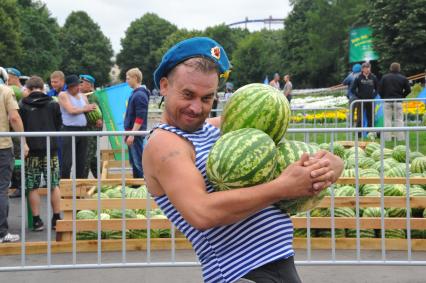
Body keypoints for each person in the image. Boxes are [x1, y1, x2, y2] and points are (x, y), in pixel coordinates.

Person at [144, 37, 343, 283]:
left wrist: (331, 165)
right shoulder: (164, 142)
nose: (196, 107)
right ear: (164, 86)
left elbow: (280, 146)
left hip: (276, 268)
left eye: (207, 98)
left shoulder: (218, 129)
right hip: (240, 275)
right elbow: (201, 212)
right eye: (188, 94)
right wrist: (283, 187)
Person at [19, 76, 62, 231]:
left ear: (29, 89)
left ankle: (37, 220)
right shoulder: (53, 103)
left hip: (31, 150)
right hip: (51, 150)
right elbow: (59, 124)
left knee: (32, 186)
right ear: (42, 88)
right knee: (54, 184)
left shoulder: (23, 104)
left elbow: (19, 126)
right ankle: (56, 218)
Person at [0, 73, 28, 243]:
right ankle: (2, 232)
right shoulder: (5, 91)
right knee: (2, 189)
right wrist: (23, 141)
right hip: (2, 146)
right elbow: (14, 117)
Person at [58, 75, 96, 178]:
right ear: (69, 87)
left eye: (78, 85)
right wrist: (85, 108)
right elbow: (71, 110)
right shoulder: (63, 95)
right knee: (67, 161)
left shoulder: (83, 96)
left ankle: (79, 188)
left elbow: (89, 110)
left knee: (81, 161)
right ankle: (65, 186)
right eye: (75, 86)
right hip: (69, 130)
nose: (78, 88)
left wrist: (96, 117)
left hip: (83, 130)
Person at [124, 68, 149, 179]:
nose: (127, 81)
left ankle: (141, 189)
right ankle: (137, 188)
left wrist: (132, 134)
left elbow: (140, 117)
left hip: (135, 135)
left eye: (128, 78)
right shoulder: (137, 94)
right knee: (135, 162)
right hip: (134, 133)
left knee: (138, 162)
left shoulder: (139, 95)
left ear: (135, 78)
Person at [378, 62, 411, 141]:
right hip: (398, 101)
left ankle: (387, 138)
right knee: (399, 120)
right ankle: (400, 138)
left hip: (387, 101)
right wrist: (402, 96)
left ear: (390, 68)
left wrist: (383, 97)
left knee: (387, 120)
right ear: (399, 69)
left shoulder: (385, 77)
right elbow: (408, 90)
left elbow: (379, 89)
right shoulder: (403, 78)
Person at [79, 74, 103, 178]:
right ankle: (101, 179)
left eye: (82, 83)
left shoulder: (92, 97)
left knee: (86, 157)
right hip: (88, 130)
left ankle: (81, 183)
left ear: (89, 85)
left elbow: (95, 117)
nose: (79, 85)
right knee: (91, 157)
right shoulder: (86, 96)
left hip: (91, 130)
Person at [6, 68, 24, 198]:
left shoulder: (22, 92)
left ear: (15, 77)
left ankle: (20, 185)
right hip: (8, 130)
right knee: (10, 157)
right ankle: (13, 183)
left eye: (9, 77)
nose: (7, 79)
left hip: (17, 130)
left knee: (18, 156)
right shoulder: (7, 91)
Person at [351, 62, 378, 132]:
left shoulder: (373, 77)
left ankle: (370, 133)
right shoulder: (358, 78)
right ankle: (358, 133)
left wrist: (373, 95)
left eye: (368, 67)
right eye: (366, 68)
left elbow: (378, 88)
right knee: (360, 117)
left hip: (370, 100)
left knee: (370, 117)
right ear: (362, 69)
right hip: (361, 101)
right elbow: (352, 89)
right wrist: (359, 96)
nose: (367, 69)